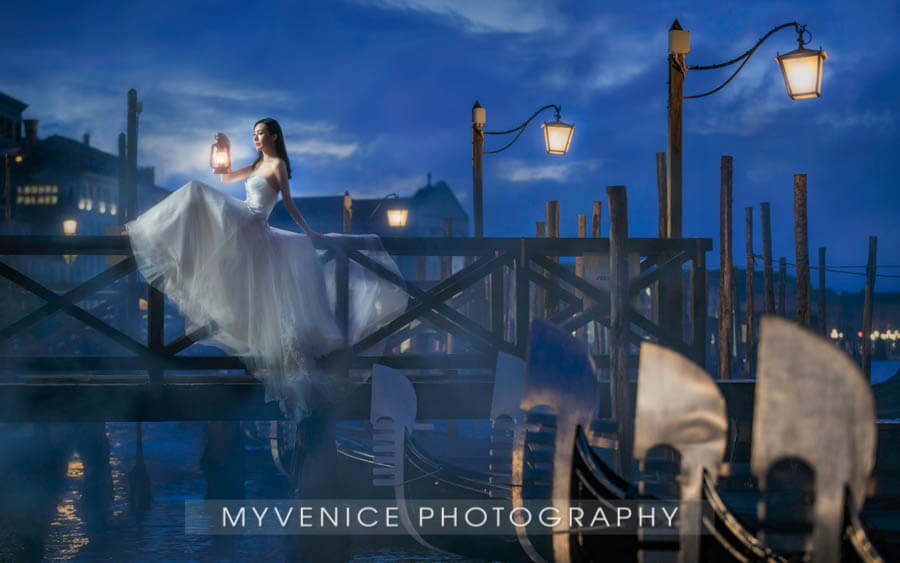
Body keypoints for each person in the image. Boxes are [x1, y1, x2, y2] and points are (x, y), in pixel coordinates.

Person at [125, 118, 407, 420]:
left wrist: (309, 231)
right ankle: (171, 245)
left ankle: (165, 240)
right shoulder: (257, 164)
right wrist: (224, 150)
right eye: (254, 134)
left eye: (261, 134)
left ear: (274, 135)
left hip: (254, 223)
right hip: (246, 221)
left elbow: (288, 202)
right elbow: (225, 178)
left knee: (196, 193)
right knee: (198, 197)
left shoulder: (278, 166)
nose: (256, 138)